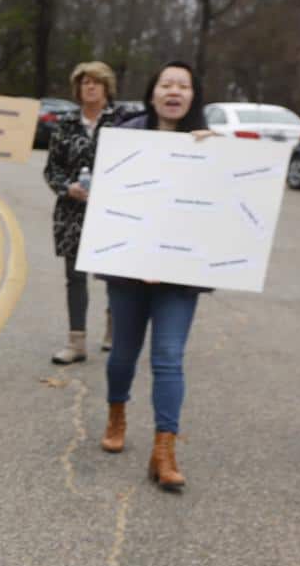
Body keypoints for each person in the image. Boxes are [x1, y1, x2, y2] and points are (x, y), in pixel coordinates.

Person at [94, 60, 216, 491]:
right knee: (123, 353)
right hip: (129, 269)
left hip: (179, 277)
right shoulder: (126, 138)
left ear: (193, 97)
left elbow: (221, 208)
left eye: (184, 85)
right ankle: (116, 413)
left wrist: (218, 155)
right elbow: (109, 196)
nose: (174, 91)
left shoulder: (211, 145)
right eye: (166, 83)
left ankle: (164, 450)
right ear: (152, 93)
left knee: (167, 357)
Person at [42, 62, 119, 364]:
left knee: (115, 275)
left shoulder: (121, 123)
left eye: (96, 82)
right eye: (85, 82)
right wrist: (66, 187)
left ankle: (114, 332)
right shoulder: (66, 123)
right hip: (72, 212)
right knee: (75, 276)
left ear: (106, 88)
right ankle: (77, 342)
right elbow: (51, 168)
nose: (90, 87)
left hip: (111, 212)